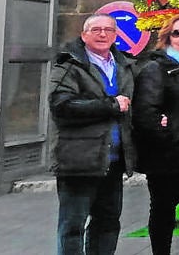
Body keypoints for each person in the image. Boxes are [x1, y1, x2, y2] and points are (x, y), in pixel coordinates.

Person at [51, 14, 137, 255]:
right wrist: (111, 105)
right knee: (73, 226)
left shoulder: (124, 65)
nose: (102, 34)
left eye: (108, 30)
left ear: (115, 35)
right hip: (79, 159)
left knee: (108, 223)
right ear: (84, 35)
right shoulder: (69, 65)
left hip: (113, 159)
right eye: (96, 29)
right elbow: (61, 106)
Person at [133, 16, 179, 255]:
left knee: (170, 205)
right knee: (163, 207)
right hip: (164, 154)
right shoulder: (156, 68)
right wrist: (167, 133)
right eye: (177, 33)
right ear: (167, 37)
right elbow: (146, 113)